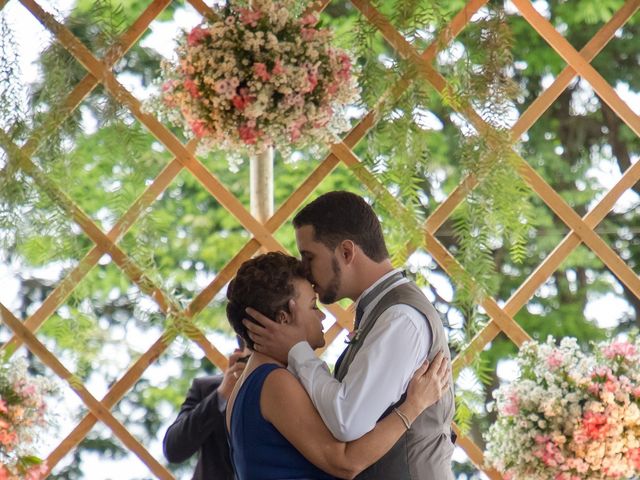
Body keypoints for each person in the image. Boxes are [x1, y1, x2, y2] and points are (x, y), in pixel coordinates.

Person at [243, 191, 456, 479]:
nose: (305, 271)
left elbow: (347, 420)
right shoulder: (380, 312)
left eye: (309, 257)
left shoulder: (400, 317)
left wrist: (298, 350)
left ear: (346, 252)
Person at [163, 337, 250, 480]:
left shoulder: (289, 388)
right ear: (239, 355)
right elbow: (173, 448)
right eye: (253, 357)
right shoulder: (206, 389)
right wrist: (221, 394)